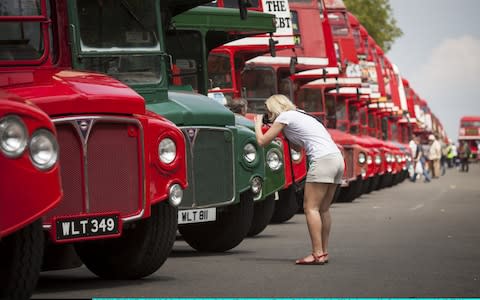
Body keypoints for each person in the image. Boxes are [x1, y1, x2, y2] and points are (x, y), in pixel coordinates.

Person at [254, 95, 344, 265]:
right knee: (323, 209)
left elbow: (262, 141)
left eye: (268, 111)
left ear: (274, 109)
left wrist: (257, 125)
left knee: (310, 208)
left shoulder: (284, 117)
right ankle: (323, 252)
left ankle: (316, 254)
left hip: (322, 160)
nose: (268, 115)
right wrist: (283, 133)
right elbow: (298, 146)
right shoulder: (301, 115)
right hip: (336, 159)